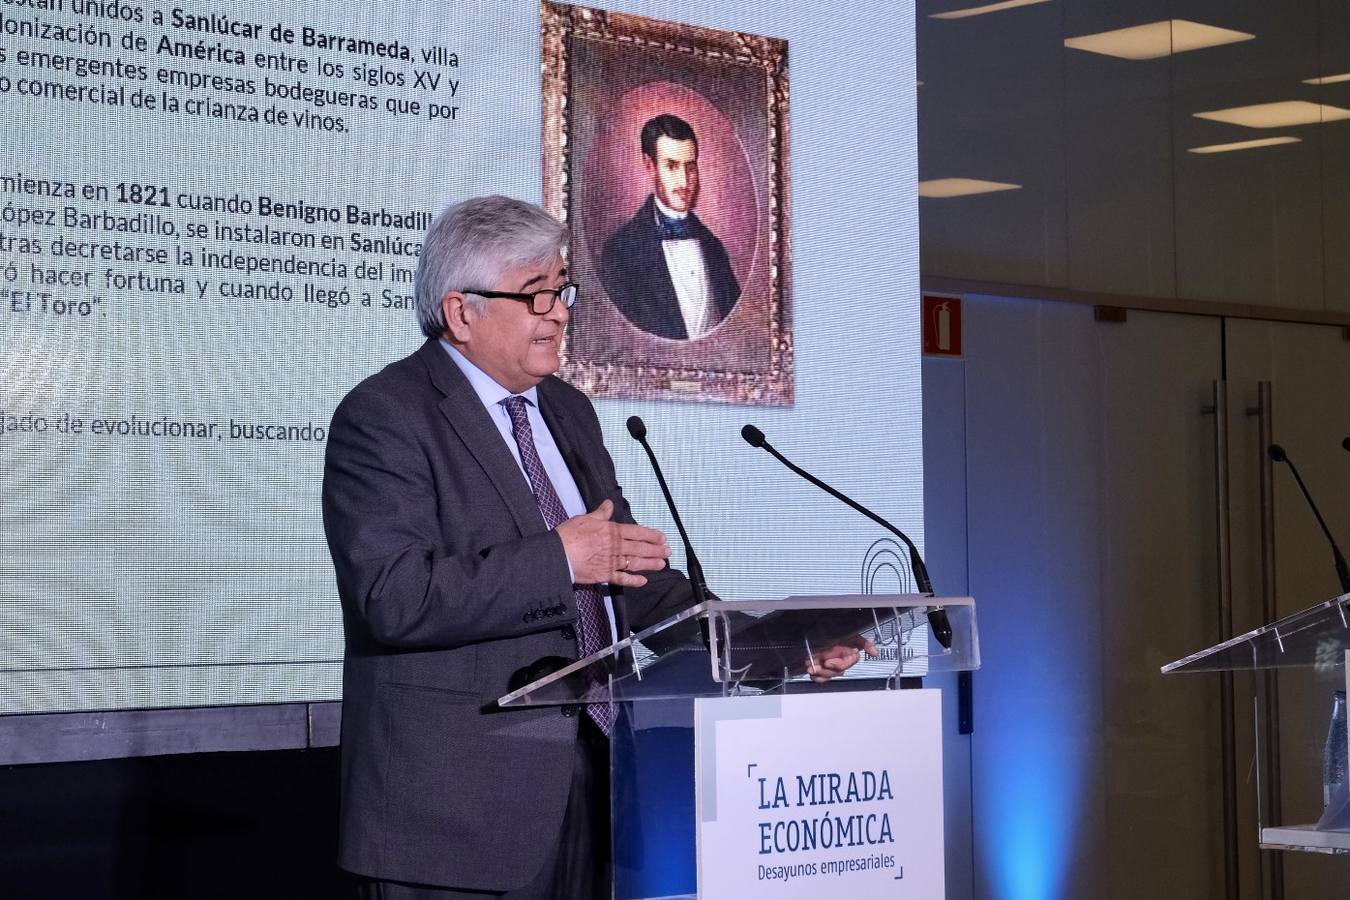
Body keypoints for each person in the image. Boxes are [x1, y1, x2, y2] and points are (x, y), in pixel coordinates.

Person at [323, 196, 864, 898]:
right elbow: (392, 598)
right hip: (454, 817)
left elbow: (632, 577)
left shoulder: (569, 411)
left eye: (561, 292)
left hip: (598, 782)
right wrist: (560, 560)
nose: (558, 312)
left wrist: (781, 650)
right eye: (535, 295)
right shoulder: (387, 415)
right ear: (462, 312)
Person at [599, 114, 741, 341]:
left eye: (691, 167)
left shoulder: (714, 246)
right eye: (672, 166)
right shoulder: (620, 252)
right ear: (650, 166)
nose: (684, 182)